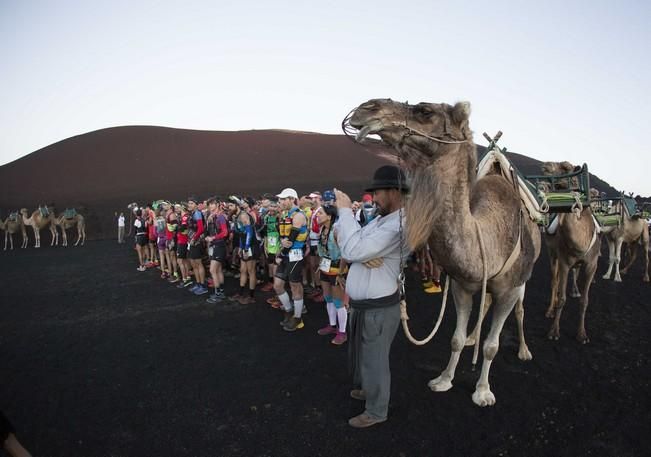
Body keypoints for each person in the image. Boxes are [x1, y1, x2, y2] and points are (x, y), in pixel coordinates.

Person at [334, 165, 409, 429]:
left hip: (379, 307)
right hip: (363, 305)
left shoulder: (399, 225)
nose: (373, 198)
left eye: (377, 192)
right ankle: (369, 389)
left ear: (393, 192)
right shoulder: (380, 220)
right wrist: (358, 254)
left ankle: (377, 411)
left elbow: (352, 248)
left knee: (375, 358)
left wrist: (345, 211)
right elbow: (346, 244)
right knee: (363, 353)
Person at [274, 187, 309, 331]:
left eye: (283, 199)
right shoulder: (286, 215)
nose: (280, 201)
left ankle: (297, 318)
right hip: (286, 255)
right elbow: (284, 239)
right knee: (277, 285)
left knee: (295, 286)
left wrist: (281, 253)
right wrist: (280, 249)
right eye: (280, 199)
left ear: (291, 199)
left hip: (294, 255)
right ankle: (289, 311)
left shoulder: (298, 216)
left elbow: (290, 241)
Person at [315, 201, 348, 345]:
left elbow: (345, 254)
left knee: (338, 302)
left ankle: (342, 332)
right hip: (325, 268)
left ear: (329, 216)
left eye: (320, 213)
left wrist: (341, 274)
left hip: (336, 270)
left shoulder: (337, 230)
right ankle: (332, 325)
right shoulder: (323, 229)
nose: (317, 216)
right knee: (328, 298)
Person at [205, 199, 229, 303]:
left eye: (212, 204)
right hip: (218, 245)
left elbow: (225, 233)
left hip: (219, 245)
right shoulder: (215, 217)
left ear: (218, 205)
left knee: (212, 270)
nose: (210, 206)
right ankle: (221, 292)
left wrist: (212, 238)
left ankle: (218, 294)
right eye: (209, 204)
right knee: (218, 270)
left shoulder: (220, 217)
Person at [187, 197, 209, 295]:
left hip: (196, 241)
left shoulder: (197, 213)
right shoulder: (193, 214)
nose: (189, 205)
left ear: (196, 205)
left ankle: (203, 285)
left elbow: (200, 229)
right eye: (189, 203)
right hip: (192, 241)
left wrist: (194, 238)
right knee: (194, 263)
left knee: (198, 263)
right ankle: (198, 283)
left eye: (191, 203)